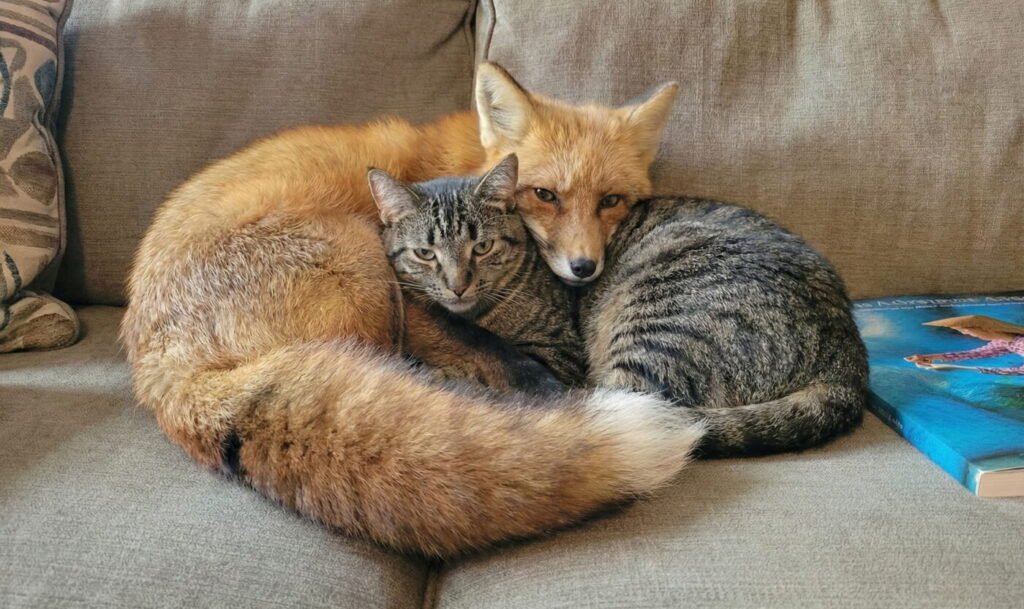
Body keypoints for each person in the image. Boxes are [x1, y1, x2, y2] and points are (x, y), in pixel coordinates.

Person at [906, 315, 1024, 375]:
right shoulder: (1004, 340)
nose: (968, 335)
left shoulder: (1021, 342)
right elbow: (977, 353)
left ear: (986, 328)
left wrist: (958, 368)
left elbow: (1018, 371)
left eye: (966, 331)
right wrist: (928, 357)